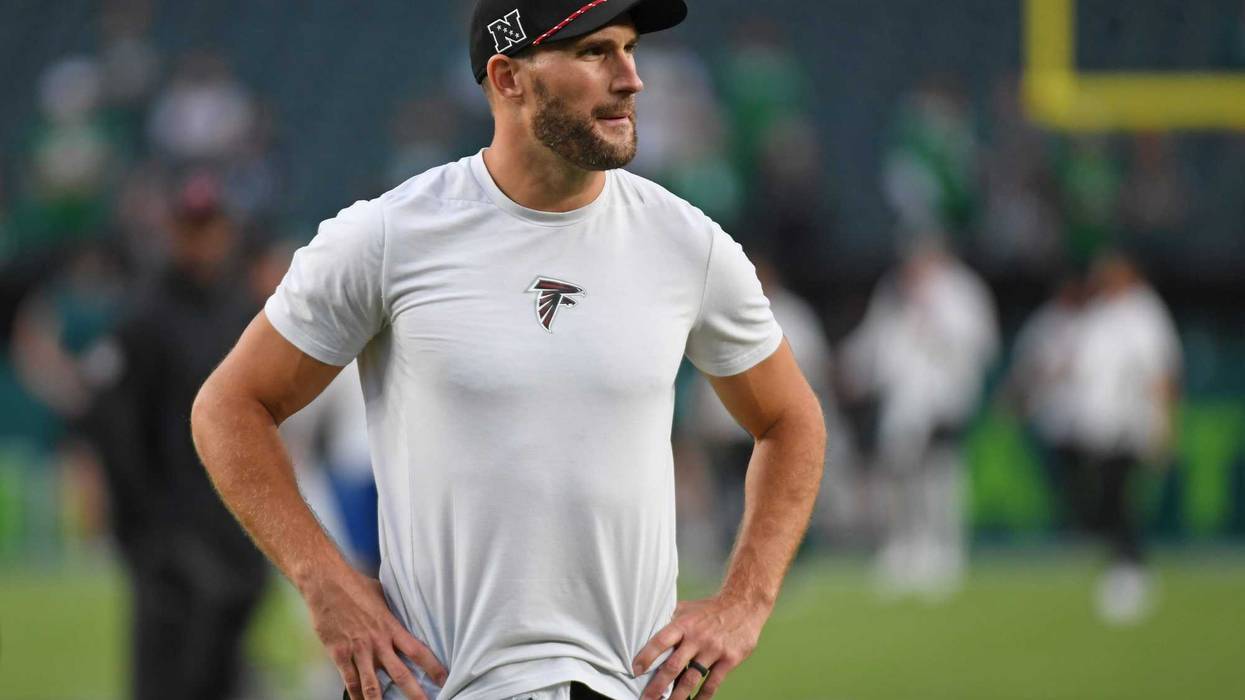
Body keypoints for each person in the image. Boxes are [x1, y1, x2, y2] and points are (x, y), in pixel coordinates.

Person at [190, 2, 826, 700]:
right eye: (592, 53)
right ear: (508, 77)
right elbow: (228, 406)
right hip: (435, 686)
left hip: (625, 686)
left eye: (629, 47)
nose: (630, 78)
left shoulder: (687, 245)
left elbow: (791, 420)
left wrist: (744, 604)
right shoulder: (387, 237)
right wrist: (325, 582)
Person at [90, 172, 269, 700]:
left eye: (210, 225)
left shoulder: (242, 312)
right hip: (170, 539)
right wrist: (146, 537)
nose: (203, 238)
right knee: (167, 681)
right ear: (173, 231)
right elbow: (117, 433)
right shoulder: (143, 317)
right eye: (192, 227)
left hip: (234, 532)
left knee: (223, 676)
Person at [1066, 253, 1181, 624]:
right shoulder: (1100, 314)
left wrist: (1163, 424)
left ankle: (1131, 569)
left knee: (1121, 496)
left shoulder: (1145, 315)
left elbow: (1160, 372)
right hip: (1098, 424)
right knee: (1106, 498)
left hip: (1130, 422)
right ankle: (1121, 565)